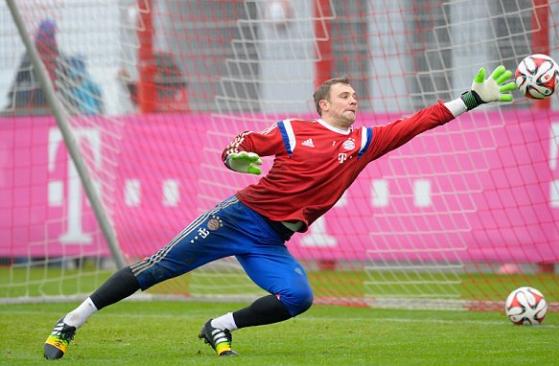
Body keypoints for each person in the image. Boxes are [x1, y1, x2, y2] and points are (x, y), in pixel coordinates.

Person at [43, 65, 516, 359]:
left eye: (355, 96)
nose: (354, 100)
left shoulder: (364, 142)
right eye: (345, 96)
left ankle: (219, 327)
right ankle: (71, 322)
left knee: (298, 297)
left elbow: (417, 123)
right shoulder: (294, 131)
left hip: (270, 241)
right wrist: (237, 159)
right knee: (155, 270)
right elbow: (241, 145)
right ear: (324, 104)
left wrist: (473, 99)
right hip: (235, 219)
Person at [5, 19, 62, 114]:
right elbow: (20, 76)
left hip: (43, 96)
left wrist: (12, 94)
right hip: (40, 96)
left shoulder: (51, 53)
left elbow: (19, 76)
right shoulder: (34, 54)